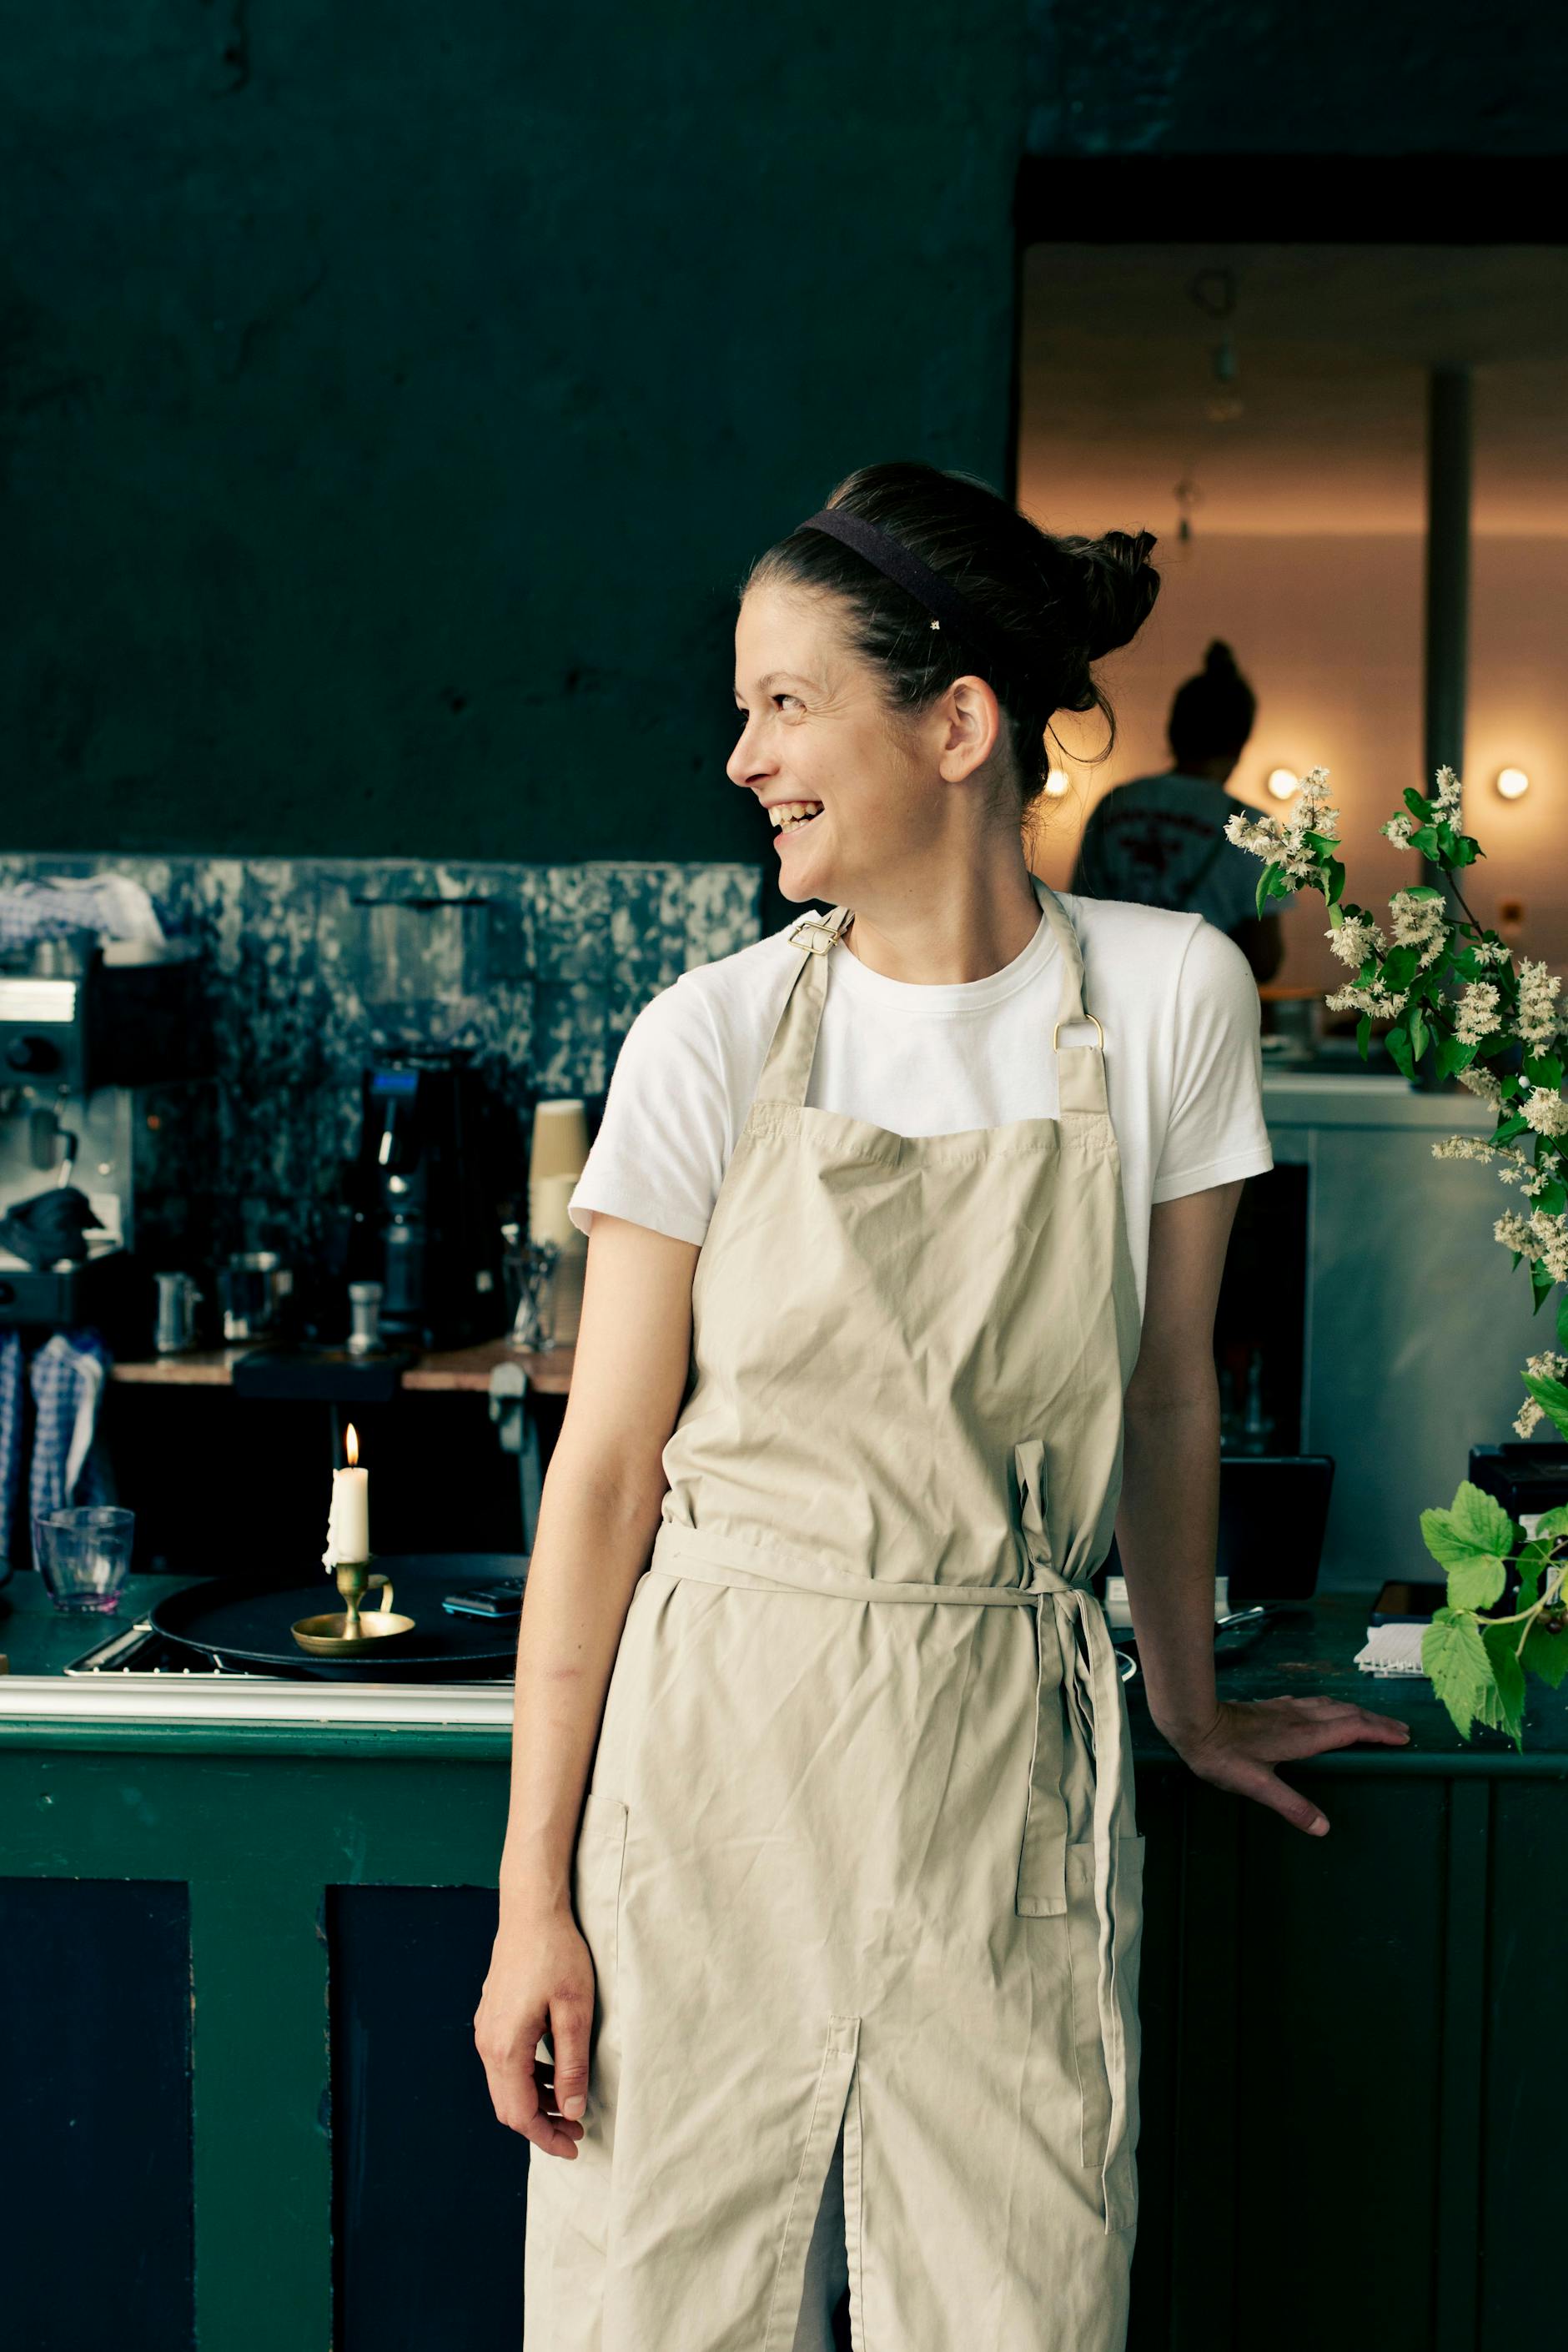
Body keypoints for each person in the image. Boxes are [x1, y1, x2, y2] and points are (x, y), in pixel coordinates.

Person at [474, 463, 1410, 2351]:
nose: (738, 753)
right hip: (719, 1749)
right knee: (661, 2307)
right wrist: (531, 1901)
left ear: (958, 722)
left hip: (1007, 1770)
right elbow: (599, 1486)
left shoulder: (1164, 997)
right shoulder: (710, 1031)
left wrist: (1182, 1693)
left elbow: (1164, 1394)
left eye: (784, 700)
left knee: (1016, 2299)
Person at [1070, 640, 1290, 983]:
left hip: (1106, 1001)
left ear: (1173, 731)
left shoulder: (1116, 803)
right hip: (1194, 1009)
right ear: (1240, 742)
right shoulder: (1253, 829)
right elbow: (1264, 960)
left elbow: (1075, 917)